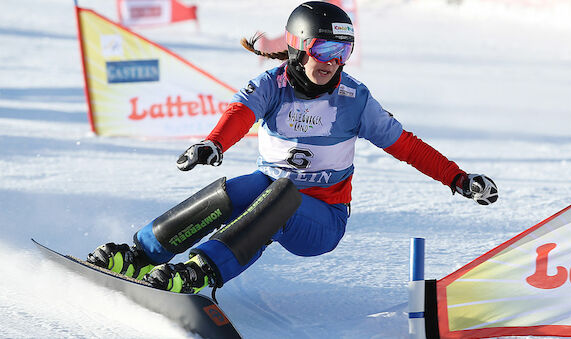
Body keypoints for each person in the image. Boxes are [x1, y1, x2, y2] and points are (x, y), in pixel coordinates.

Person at [87, 1, 498, 295]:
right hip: (271, 192)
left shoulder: (355, 99)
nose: (332, 62)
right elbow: (240, 113)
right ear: (299, 47)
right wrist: (213, 143)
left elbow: (406, 146)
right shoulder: (272, 84)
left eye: (343, 53)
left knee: (279, 195)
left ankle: (201, 271)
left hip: (322, 219)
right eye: (324, 50)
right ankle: (142, 254)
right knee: (236, 191)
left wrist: (458, 178)